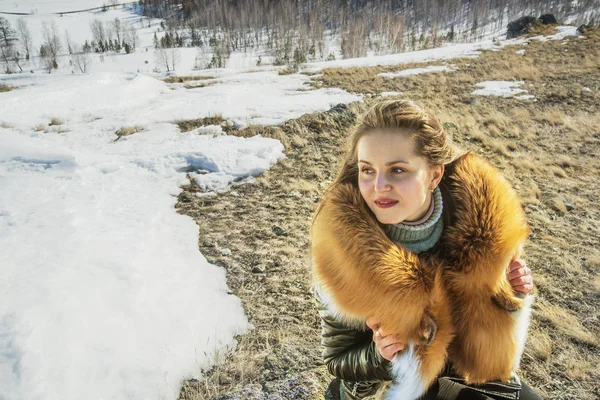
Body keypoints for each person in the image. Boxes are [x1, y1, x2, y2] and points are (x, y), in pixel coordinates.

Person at [309, 100, 541, 400]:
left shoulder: (484, 226)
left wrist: (511, 293)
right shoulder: (343, 249)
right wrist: (380, 355)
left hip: (466, 373)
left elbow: (489, 314)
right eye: (367, 170)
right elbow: (338, 360)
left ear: (434, 175)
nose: (379, 185)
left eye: (397, 170)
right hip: (392, 386)